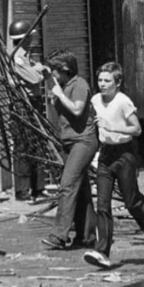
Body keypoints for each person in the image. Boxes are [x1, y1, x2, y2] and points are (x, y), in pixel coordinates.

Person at [84, 62, 144, 268]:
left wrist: (114, 127)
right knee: (102, 203)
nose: (102, 84)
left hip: (125, 154)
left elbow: (136, 129)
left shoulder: (123, 102)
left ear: (117, 83)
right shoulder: (94, 100)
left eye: (107, 81)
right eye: (100, 80)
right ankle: (102, 251)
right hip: (105, 155)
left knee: (131, 200)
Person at [40, 49, 96, 250]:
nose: (54, 75)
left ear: (65, 70)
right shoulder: (62, 85)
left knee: (68, 185)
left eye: (56, 71)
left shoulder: (79, 85)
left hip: (84, 141)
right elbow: (53, 84)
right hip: (69, 142)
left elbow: (77, 109)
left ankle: (59, 235)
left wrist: (58, 95)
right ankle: (87, 235)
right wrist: (48, 78)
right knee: (80, 190)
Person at [8, 19, 48, 201]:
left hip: (34, 102)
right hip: (22, 104)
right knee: (23, 145)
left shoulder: (26, 56)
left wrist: (37, 69)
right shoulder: (17, 57)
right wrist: (39, 70)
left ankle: (38, 187)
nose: (32, 40)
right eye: (29, 37)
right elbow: (35, 78)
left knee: (38, 143)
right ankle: (22, 190)